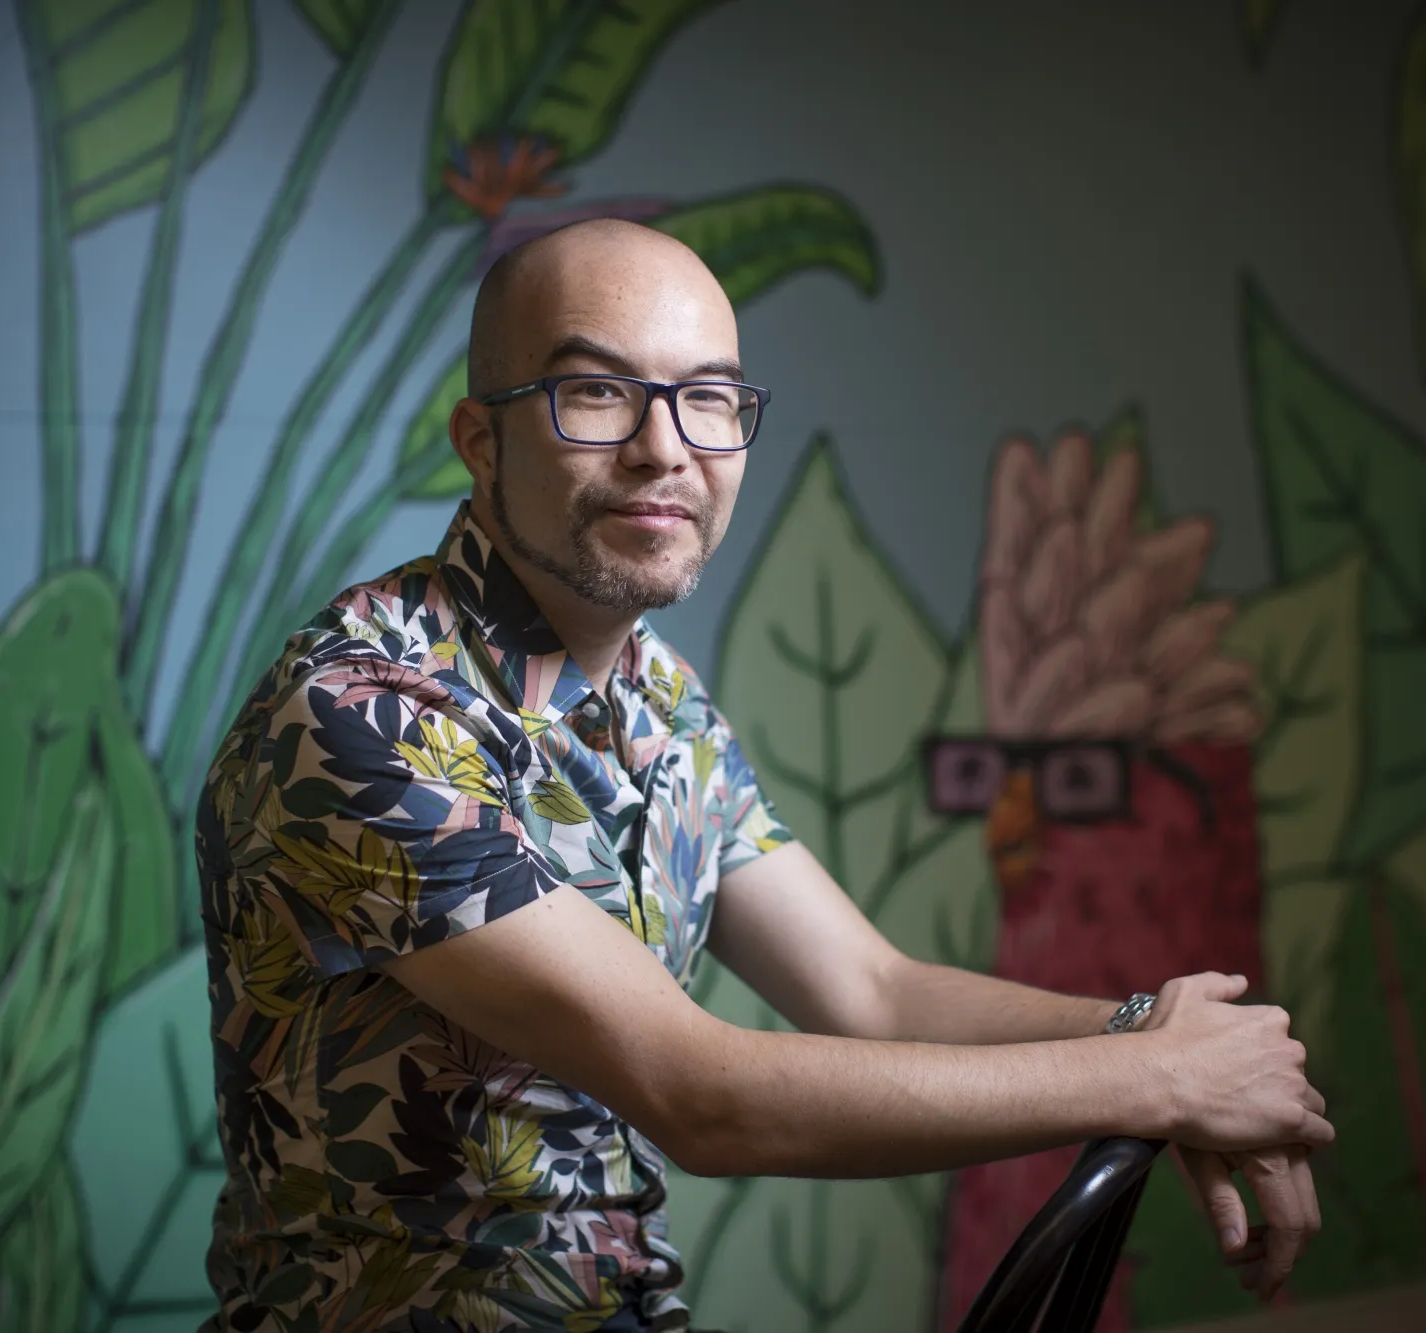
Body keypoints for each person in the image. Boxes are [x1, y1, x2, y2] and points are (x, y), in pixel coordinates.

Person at [195, 218, 1331, 1333]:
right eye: (596, 392)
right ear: (480, 439)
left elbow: (873, 993)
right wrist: (1164, 1083)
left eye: (708, 397)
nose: (664, 448)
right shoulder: (363, 709)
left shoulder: (658, 697)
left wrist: (1144, 1030)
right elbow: (704, 1097)